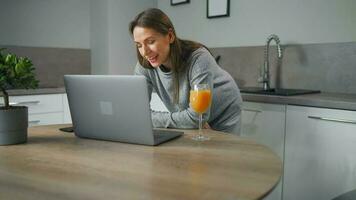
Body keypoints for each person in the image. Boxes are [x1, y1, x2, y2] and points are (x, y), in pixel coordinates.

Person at [129, 8, 242, 134]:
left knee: (220, 152)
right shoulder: (144, 65)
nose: (145, 52)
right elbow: (138, 113)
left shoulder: (199, 58)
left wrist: (152, 118)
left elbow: (197, 117)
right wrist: (189, 120)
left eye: (150, 42)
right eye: (139, 45)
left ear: (170, 36)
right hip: (193, 120)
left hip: (224, 112)